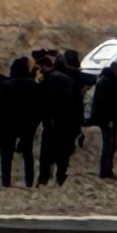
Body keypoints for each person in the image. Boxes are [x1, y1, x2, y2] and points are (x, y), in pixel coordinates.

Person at [39, 50, 85, 185]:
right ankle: (59, 177)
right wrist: (79, 123)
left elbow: (43, 103)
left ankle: (43, 179)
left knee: (46, 153)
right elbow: (77, 103)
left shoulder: (47, 80)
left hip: (51, 123)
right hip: (67, 123)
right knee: (63, 153)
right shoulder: (71, 81)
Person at [0, 56, 40, 187]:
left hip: (9, 122)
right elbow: (37, 107)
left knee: (7, 154)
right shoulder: (33, 85)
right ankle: (29, 181)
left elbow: (1, 107)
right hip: (28, 122)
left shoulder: (6, 85)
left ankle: (6, 180)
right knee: (28, 153)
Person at [90, 60, 117, 180]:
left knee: (110, 144)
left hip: (105, 117)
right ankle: (106, 171)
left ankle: (106, 170)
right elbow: (110, 101)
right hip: (108, 118)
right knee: (109, 145)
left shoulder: (105, 80)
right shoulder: (109, 82)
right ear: (116, 70)